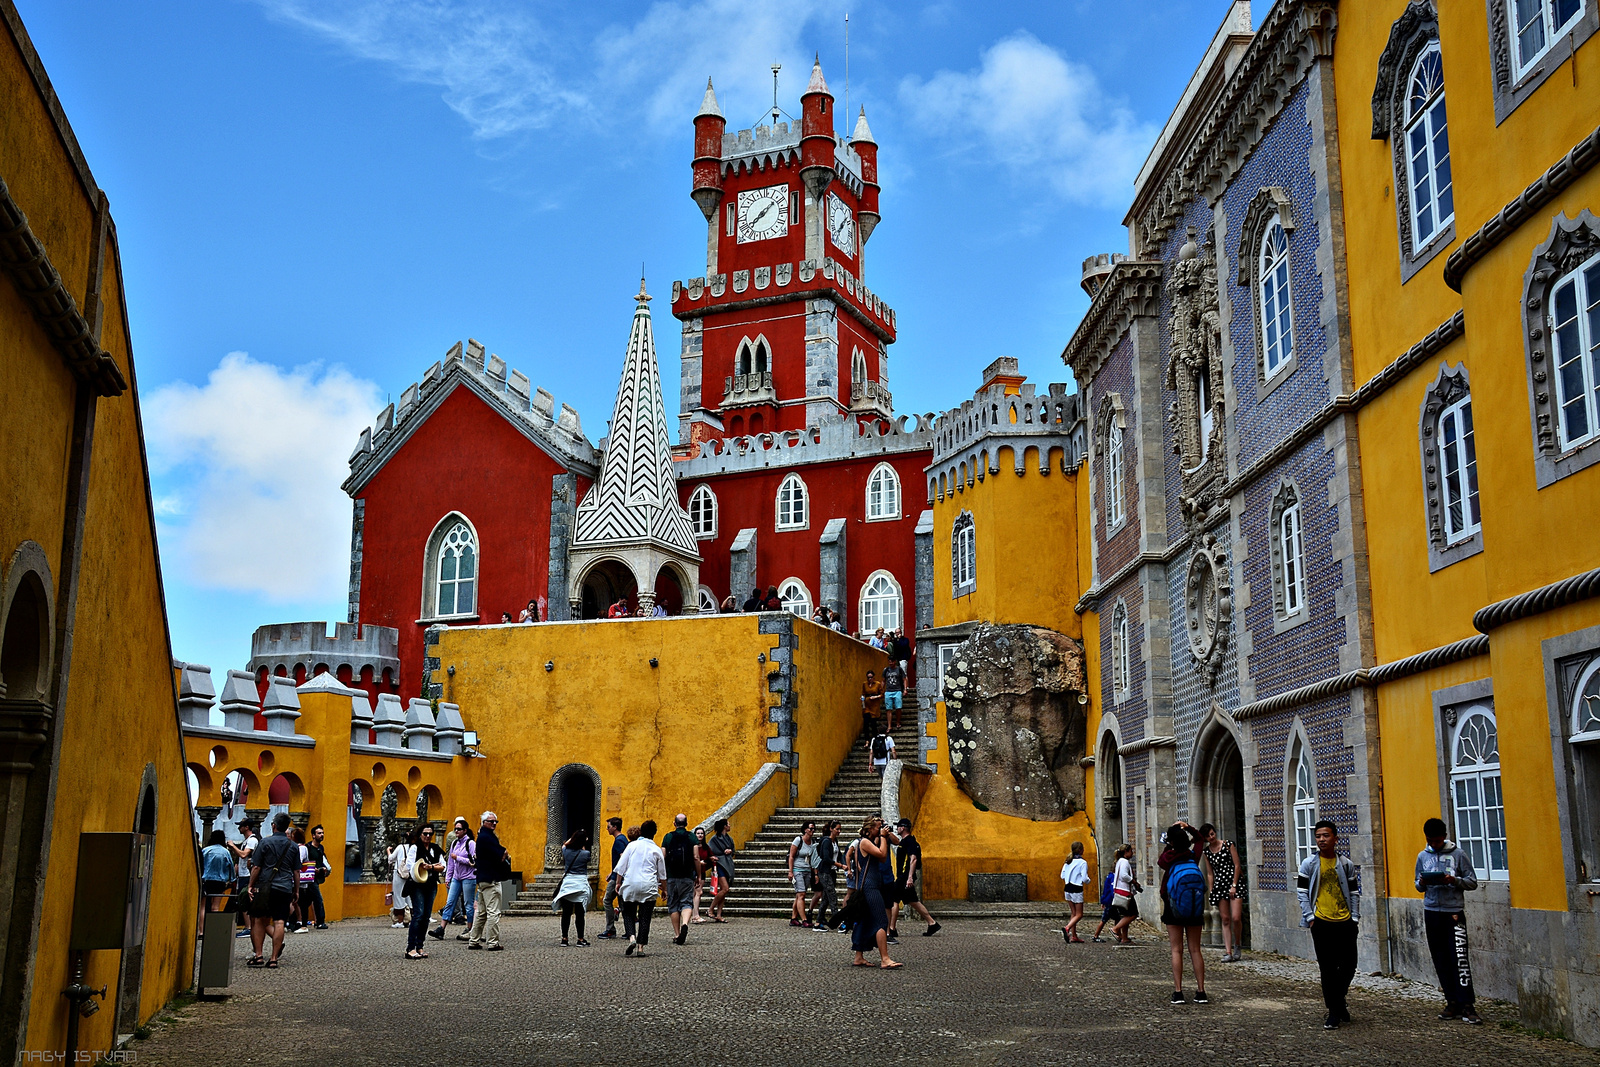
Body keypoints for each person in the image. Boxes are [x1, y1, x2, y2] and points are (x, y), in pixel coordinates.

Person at [1297, 818, 1362, 1029]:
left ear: (1335, 838)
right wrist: (1310, 917)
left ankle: (1338, 998)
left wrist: (1354, 918)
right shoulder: (1309, 864)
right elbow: (1302, 892)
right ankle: (1334, 1011)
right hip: (1321, 922)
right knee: (1327, 968)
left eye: (1326, 836)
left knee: (1349, 965)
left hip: (1345, 921)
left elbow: (1353, 892)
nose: (1322, 840)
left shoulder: (1345, 864)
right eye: (1318, 836)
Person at [1415, 817, 1480, 1024]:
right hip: (1432, 911)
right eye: (1430, 841)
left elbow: (1472, 882)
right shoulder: (1422, 856)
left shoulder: (1458, 854)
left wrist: (1454, 880)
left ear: (1444, 836)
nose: (1433, 844)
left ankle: (1467, 1004)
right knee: (1440, 958)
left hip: (1454, 913)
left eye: (1436, 840)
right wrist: (1423, 882)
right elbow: (1417, 885)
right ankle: (1451, 1001)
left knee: (1459, 958)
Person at [1158, 824, 1208, 1004]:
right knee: (1195, 949)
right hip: (1194, 907)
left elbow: (1160, 860)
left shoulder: (1168, 858)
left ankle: (1178, 992)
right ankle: (1201, 991)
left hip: (1173, 908)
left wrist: (1170, 844)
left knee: (1176, 950)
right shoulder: (1193, 857)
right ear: (1187, 842)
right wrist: (1189, 828)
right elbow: (1201, 839)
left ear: (1171, 842)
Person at [245, 813, 298, 969]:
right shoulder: (293, 846)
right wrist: (296, 891)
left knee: (260, 920)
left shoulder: (265, 843)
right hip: (285, 887)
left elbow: (256, 867)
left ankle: (259, 955)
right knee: (280, 921)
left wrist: (250, 885)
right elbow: (296, 871)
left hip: (265, 887)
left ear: (273, 825)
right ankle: (274, 958)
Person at [850, 816, 900, 968]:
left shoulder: (871, 841)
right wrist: (884, 837)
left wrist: (884, 834)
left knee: (865, 921)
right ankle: (885, 959)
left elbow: (895, 842)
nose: (880, 830)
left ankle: (859, 957)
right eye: (878, 827)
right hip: (870, 886)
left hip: (873, 884)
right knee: (881, 921)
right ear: (870, 829)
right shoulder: (864, 842)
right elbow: (883, 856)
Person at [614, 819, 668, 956]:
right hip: (649, 885)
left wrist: (618, 883)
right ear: (654, 833)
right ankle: (640, 947)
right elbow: (662, 873)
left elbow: (621, 867)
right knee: (645, 917)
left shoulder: (632, 846)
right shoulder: (656, 849)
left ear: (641, 832)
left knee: (628, 912)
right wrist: (665, 889)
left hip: (631, 883)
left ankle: (631, 937)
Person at [1197, 822, 1246, 962]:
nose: (1211, 837)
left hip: (1234, 883)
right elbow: (1210, 873)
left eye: (1212, 834)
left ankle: (1237, 944)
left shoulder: (1228, 845)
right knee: (1225, 918)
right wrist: (1212, 889)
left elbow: (1237, 865)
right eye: (1208, 836)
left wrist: (1234, 885)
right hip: (1220, 886)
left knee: (1236, 917)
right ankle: (1228, 951)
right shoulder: (1206, 852)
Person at [398, 822, 445, 959]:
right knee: (418, 914)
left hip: (430, 884)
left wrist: (430, 867)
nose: (428, 836)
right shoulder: (414, 848)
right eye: (425, 833)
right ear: (420, 834)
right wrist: (429, 867)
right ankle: (410, 947)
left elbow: (443, 866)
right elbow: (410, 866)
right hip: (417, 884)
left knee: (426, 916)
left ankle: (420, 946)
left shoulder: (435, 849)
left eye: (430, 834)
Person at [888, 818, 941, 938]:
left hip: (904, 876)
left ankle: (892, 928)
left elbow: (913, 859)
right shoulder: (905, 841)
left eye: (898, 827)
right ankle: (932, 923)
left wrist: (909, 878)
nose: (897, 829)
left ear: (902, 828)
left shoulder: (910, 842)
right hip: (905, 876)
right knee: (914, 902)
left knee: (894, 900)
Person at [464, 811, 508, 951]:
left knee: (482, 912)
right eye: (491, 821)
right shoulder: (487, 837)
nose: (494, 823)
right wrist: (503, 855)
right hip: (491, 878)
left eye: (495, 821)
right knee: (493, 911)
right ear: (484, 822)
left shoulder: (481, 837)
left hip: (482, 878)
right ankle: (492, 942)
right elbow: (502, 853)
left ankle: (474, 940)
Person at [660, 814, 698, 945]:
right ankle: (685, 923)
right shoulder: (692, 837)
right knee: (687, 902)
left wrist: (661, 876)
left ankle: (677, 934)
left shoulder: (668, 837)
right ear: (686, 823)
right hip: (687, 875)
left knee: (673, 905)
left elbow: (662, 856)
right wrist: (698, 874)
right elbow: (696, 857)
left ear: (674, 823)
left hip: (671, 875)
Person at [554, 829, 592, 947]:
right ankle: (580, 939)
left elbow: (564, 845)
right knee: (580, 913)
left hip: (568, 883)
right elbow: (586, 859)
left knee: (566, 913)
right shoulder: (586, 853)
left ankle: (564, 938)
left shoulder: (565, 851)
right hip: (580, 883)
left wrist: (573, 837)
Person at [441, 817, 477, 927]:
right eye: (455, 829)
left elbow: (474, 862)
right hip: (456, 878)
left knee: (468, 904)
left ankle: (470, 928)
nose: (456, 831)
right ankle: (441, 927)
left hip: (469, 877)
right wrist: (448, 878)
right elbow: (451, 863)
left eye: (459, 829)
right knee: (450, 902)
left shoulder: (471, 844)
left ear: (465, 830)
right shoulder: (454, 843)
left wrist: (458, 858)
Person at [811, 820, 844, 930]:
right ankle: (837, 922)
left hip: (832, 872)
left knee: (826, 898)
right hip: (824, 872)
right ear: (831, 829)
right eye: (837, 829)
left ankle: (818, 922)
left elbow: (838, 854)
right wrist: (839, 865)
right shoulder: (826, 841)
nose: (839, 831)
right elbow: (826, 858)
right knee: (832, 896)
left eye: (840, 829)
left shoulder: (835, 842)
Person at [297, 824, 331, 931]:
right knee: (317, 899)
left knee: (306, 901)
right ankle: (320, 922)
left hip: (316, 877)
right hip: (309, 878)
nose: (321, 835)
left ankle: (300, 922)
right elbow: (304, 862)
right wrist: (312, 869)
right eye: (319, 833)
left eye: (322, 833)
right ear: (313, 835)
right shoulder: (307, 848)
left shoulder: (320, 848)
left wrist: (323, 869)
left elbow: (322, 860)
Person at [229, 819, 259, 934]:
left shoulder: (251, 841)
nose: (238, 828)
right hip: (243, 874)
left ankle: (248, 927)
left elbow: (243, 855)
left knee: (244, 900)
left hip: (247, 874)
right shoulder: (247, 840)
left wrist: (233, 846)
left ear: (246, 827)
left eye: (240, 826)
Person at [787, 820, 818, 927]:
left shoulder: (813, 842)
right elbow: (791, 856)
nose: (812, 830)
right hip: (797, 869)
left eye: (814, 828)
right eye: (810, 828)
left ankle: (793, 918)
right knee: (801, 894)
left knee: (799, 895)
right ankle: (804, 919)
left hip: (807, 870)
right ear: (805, 830)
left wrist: (815, 873)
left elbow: (813, 858)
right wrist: (790, 871)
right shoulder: (798, 840)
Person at [598, 817, 626, 938]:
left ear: (615, 827)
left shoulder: (619, 840)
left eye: (608, 826)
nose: (607, 829)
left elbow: (622, 858)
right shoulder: (623, 838)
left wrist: (616, 874)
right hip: (619, 875)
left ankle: (610, 929)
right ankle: (629, 930)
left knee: (607, 900)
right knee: (622, 902)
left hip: (618, 877)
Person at [1060, 840, 1090, 943]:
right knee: (1079, 914)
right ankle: (1067, 928)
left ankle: (1074, 936)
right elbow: (1085, 878)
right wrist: (1088, 881)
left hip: (1067, 888)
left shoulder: (1068, 861)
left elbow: (1062, 875)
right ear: (1081, 850)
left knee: (1073, 913)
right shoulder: (1082, 862)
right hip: (1076, 888)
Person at [707, 818, 735, 922]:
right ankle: (710, 909)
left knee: (724, 891)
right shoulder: (715, 839)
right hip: (720, 865)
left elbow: (733, 849)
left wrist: (730, 851)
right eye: (728, 824)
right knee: (725, 889)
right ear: (724, 826)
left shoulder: (729, 838)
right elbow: (710, 851)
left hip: (727, 865)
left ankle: (719, 914)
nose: (729, 826)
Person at [200, 830, 234, 913]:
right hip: (220, 881)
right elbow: (231, 867)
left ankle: (201, 926)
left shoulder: (205, 850)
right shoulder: (225, 852)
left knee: (203, 906)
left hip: (206, 880)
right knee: (215, 906)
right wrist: (232, 879)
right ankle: (214, 925)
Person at [388, 837, 410, 928]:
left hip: (399, 873)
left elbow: (391, 858)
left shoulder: (401, 847)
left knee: (398, 897)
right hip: (410, 874)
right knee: (409, 898)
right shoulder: (415, 847)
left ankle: (400, 921)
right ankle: (409, 920)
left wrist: (388, 850)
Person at [690, 827, 711, 923]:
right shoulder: (692, 846)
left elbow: (710, 857)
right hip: (694, 872)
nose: (700, 835)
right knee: (698, 892)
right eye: (698, 833)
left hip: (702, 872)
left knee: (697, 893)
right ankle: (695, 915)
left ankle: (695, 914)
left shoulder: (706, 847)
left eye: (701, 833)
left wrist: (705, 862)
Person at [881, 661, 905, 731]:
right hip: (888, 691)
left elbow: (904, 679)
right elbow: (883, 680)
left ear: (895, 662)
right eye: (889, 662)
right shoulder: (886, 670)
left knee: (898, 708)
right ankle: (889, 725)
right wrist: (881, 690)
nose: (890, 663)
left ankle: (898, 722)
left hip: (897, 690)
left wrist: (905, 689)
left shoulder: (899, 669)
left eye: (892, 662)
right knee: (888, 709)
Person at [861, 670, 885, 736]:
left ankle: (874, 738)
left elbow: (882, 694)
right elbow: (863, 693)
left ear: (873, 677)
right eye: (868, 678)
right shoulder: (864, 684)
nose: (869, 679)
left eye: (871, 677)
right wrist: (862, 698)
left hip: (874, 705)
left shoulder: (877, 684)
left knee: (873, 723)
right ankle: (867, 740)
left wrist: (876, 697)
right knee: (866, 722)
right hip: (867, 705)